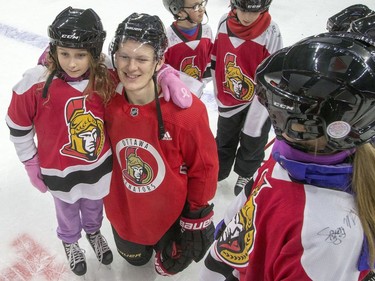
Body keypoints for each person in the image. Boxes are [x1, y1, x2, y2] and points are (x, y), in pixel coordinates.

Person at [5, 7, 192, 277]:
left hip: (98, 166)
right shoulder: (36, 82)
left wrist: (165, 75)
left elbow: (135, 71)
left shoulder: (104, 74)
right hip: (59, 168)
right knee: (67, 209)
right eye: (65, 53)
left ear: (93, 53)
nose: (71, 63)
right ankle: (70, 240)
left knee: (94, 205)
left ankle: (93, 232)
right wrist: (30, 161)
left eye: (80, 55)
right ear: (54, 49)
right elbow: (18, 124)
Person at [200, 32, 375, 280]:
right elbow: (256, 196)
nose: (276, 118)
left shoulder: (330, 236)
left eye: (289, 113)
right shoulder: (293, 154)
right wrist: (228, 229)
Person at [102, 13, 218, 276]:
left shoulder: (187, 114)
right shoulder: (105, 95)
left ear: (160, 61)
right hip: (124, 215)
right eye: (124, 57)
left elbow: (205, 168)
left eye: (142, 59)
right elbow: (68, 68)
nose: (131, 67)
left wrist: (196, 217)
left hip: (170, 219)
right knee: (135, 262)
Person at [212, 0, 283, 195]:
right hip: (228, 95)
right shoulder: (223, 23)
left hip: (257, 100)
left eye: (254, 11)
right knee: (225, 135)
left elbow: (274, 72)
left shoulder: (271, 31)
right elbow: (216, 57)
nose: (247, 16)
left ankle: (247, 172)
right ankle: (219, 168)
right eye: (243, 9)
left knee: (254, 138)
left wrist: (266, 100)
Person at [162, 0, 213, 85]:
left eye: (202, 4)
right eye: (195, 6)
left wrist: (200, 85)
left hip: (196, 93)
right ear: (179, 11)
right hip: (174, 93)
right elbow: (162, 71)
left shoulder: (206, 31)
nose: (201, 9)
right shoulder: (167, 38)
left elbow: (210, 60)